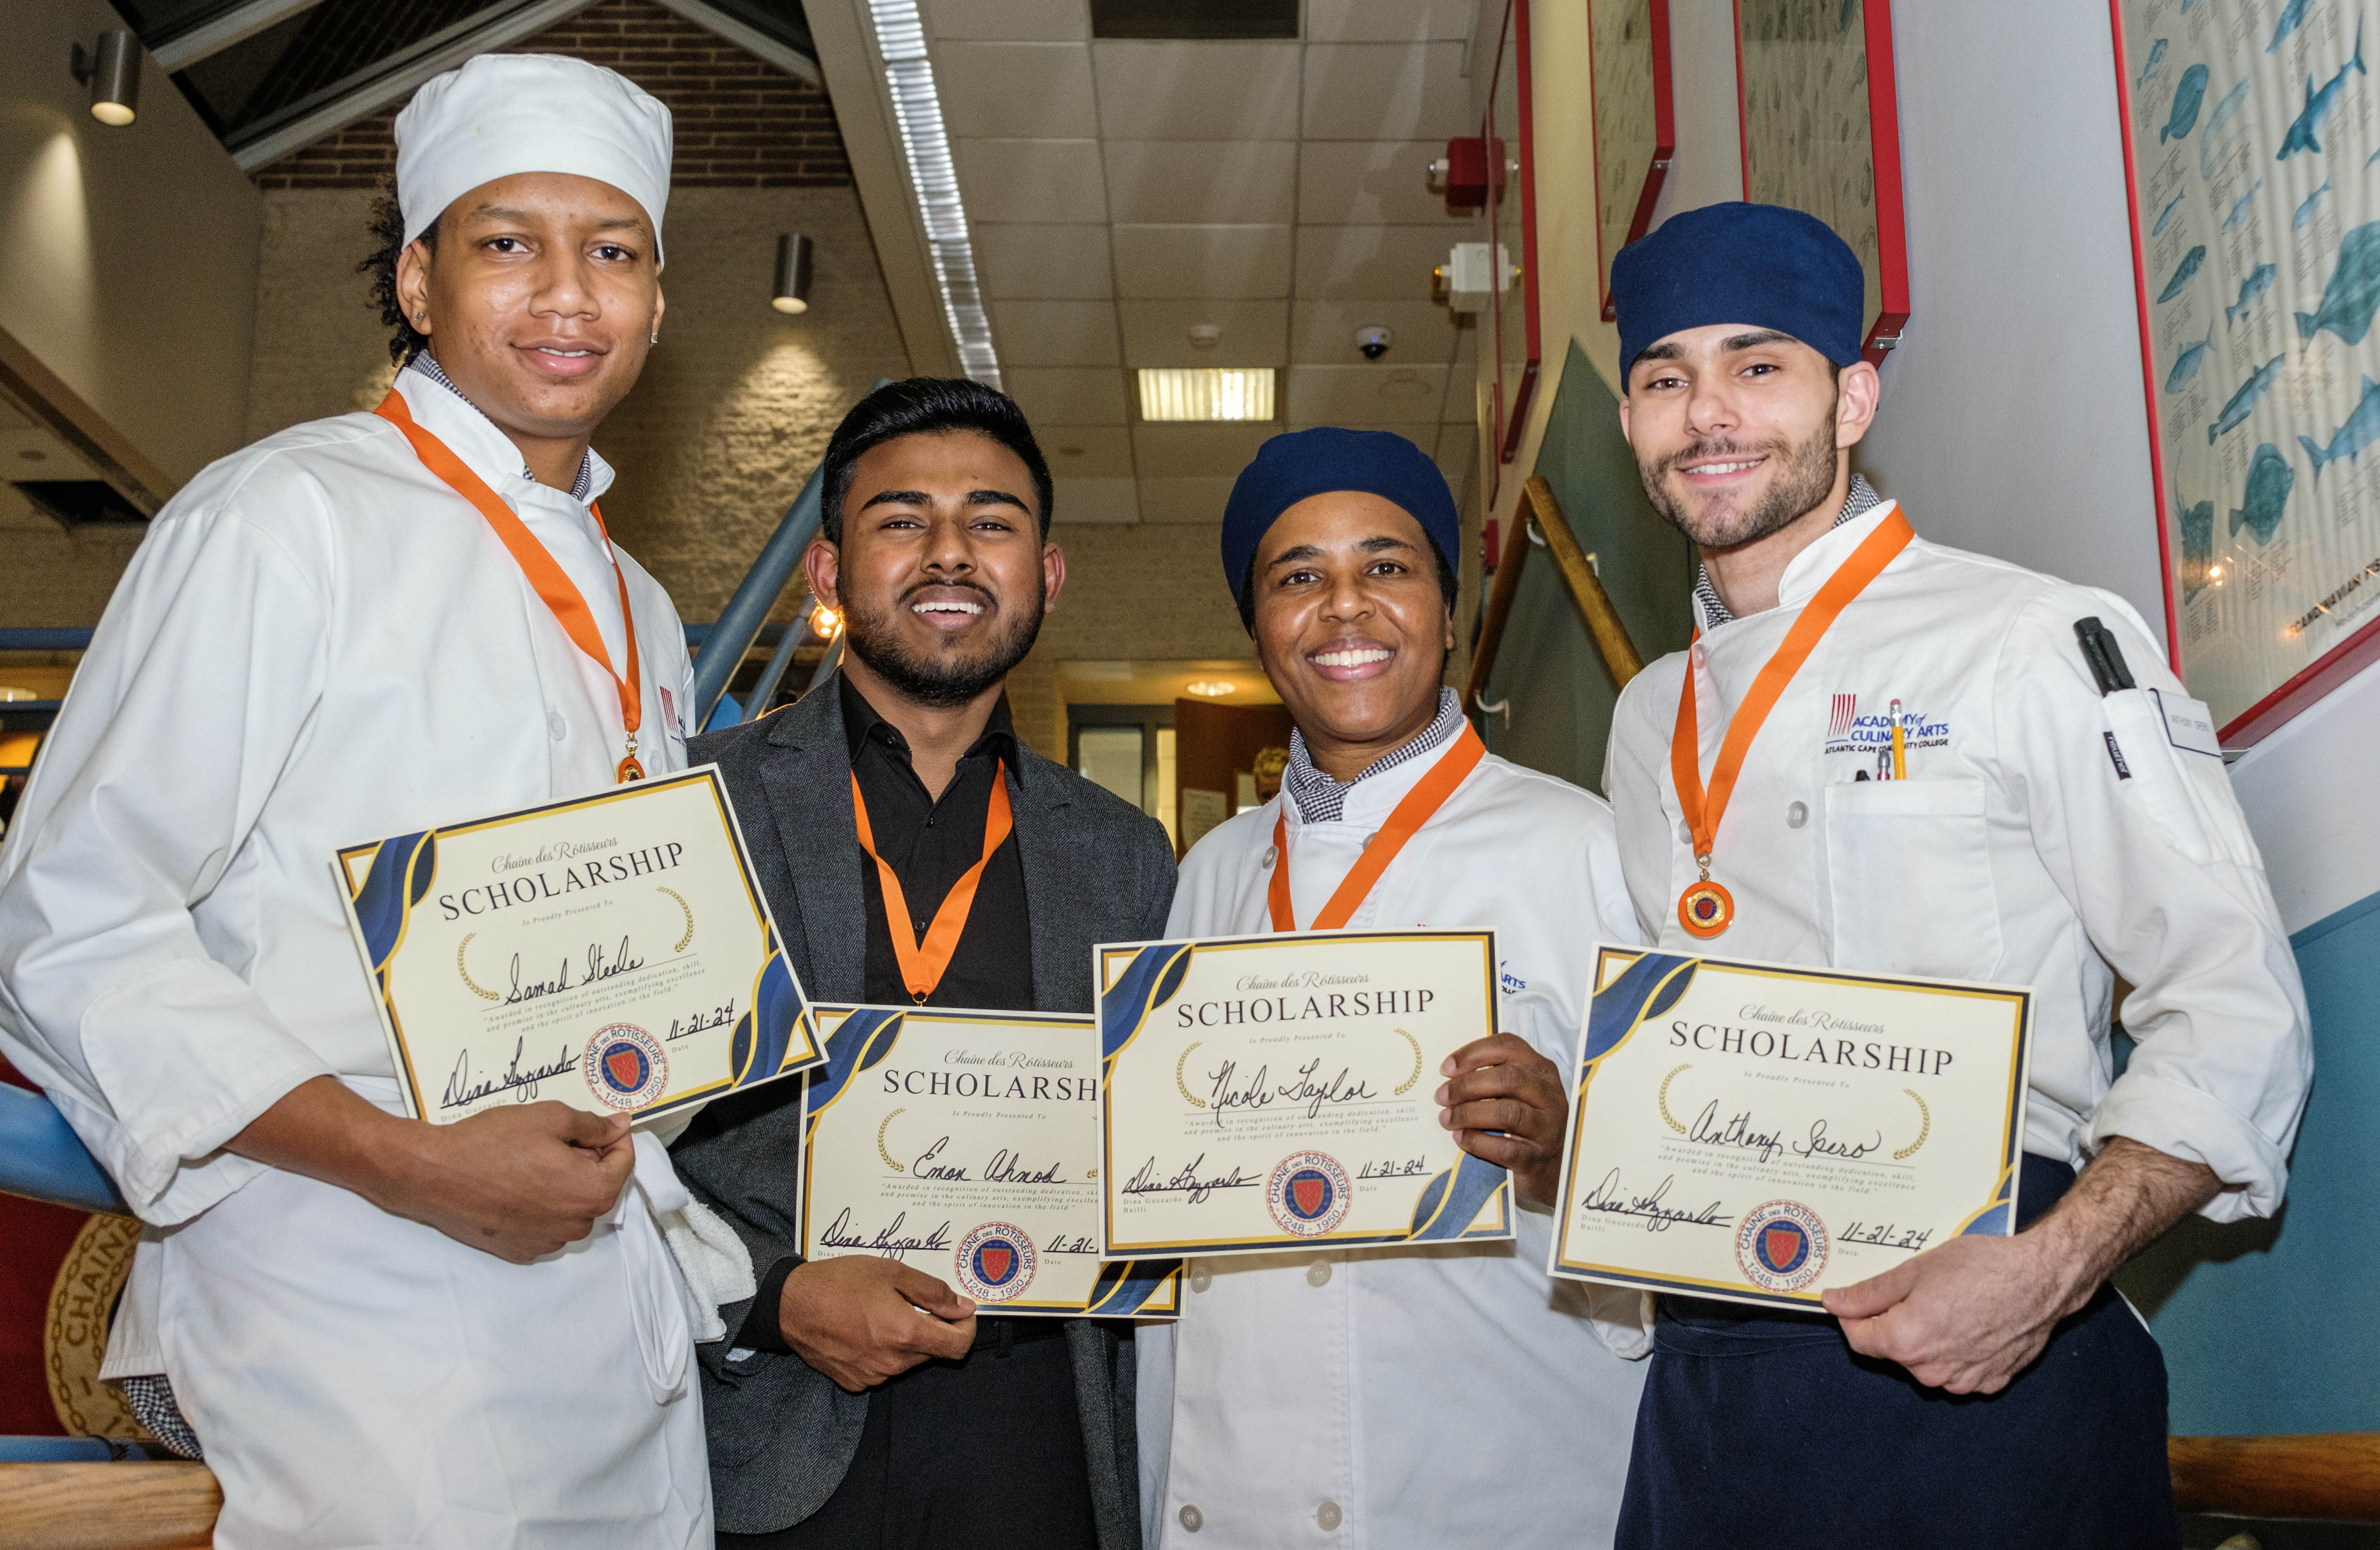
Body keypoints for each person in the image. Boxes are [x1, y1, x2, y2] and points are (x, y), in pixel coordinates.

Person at [0, 55, 719, 1547]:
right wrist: (410, 1160)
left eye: (612, 251)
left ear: (657, 296)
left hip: (605, 1295)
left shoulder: (643, 602)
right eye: (506, 243)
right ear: (416, 278)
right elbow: (64, 918)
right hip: (349, 1290)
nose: (566, 296)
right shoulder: (284, 516)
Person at [1600, 201, 2314, 1548]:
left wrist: (2045, 1275)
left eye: (1757, 366)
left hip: (1984, 1352)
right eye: (1662, 378)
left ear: (1851, 396)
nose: (1707, 413)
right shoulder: (1644, 720)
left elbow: (2234, 1004)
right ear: (1632, 420)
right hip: (1709, 1371)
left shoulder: (2029, 636)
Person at [670, 377, 1176, 1549]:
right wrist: (774, 1290)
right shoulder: (699, 806)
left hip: (1043, 1443)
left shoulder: (1123, 854)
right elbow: (610, 1129)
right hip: (765, 1443)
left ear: (1044, 575)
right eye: (901, 521)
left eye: (991, 522)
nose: (949, 551)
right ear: (827, 574)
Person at [1136, 428, 1652, 1548]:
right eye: (1297, 577)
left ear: (1450, 612)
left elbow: (1689, 1179)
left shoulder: (1585, 846)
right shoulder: (1212, 869)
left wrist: (1566, 1144)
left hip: (1495, 1473)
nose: (1344, 607)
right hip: (1232, 1485)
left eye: (1385, 566)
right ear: (1260, 631)